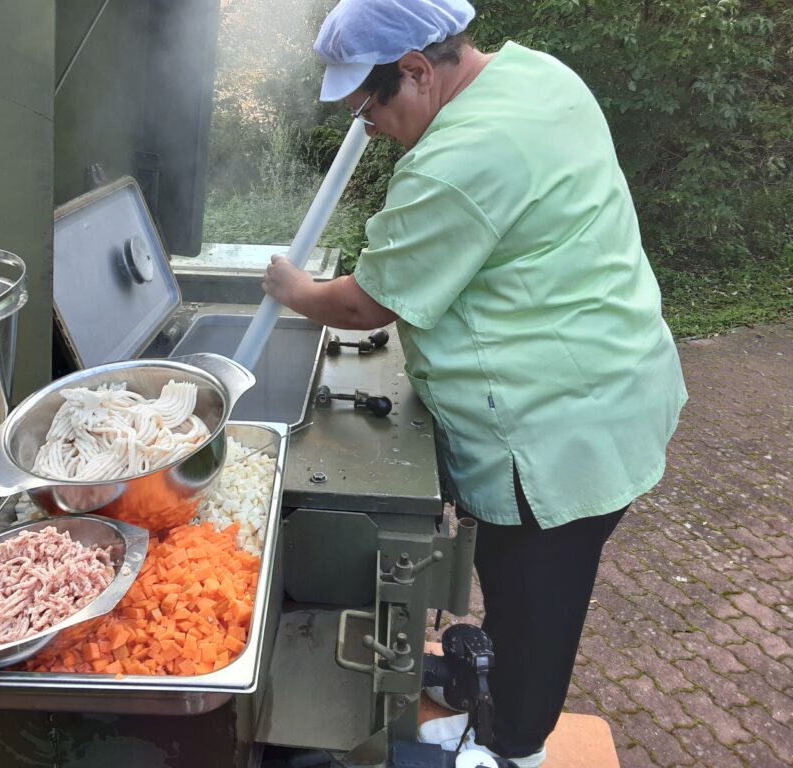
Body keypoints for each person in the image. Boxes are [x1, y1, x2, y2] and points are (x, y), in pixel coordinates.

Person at [260, 0, 689, 765]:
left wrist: (295, 291)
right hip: (620, 383)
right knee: (523, 588)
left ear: (419, 70)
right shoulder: (537, 76)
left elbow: (366, 302)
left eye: (370, 106)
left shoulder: (459, 158)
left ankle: (515, 747)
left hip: (559, 430)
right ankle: (483, 697)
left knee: (536, 605)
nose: (369, 127)